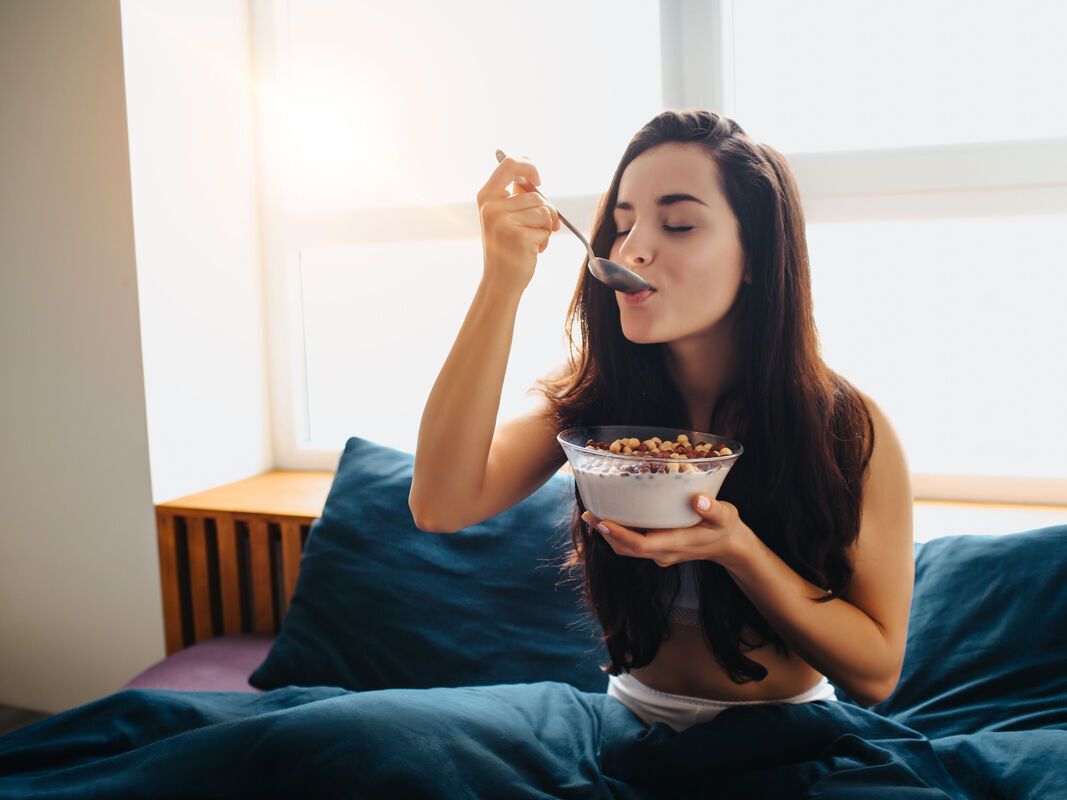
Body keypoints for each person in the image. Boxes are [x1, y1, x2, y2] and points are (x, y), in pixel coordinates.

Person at [409, 109, 913, 733]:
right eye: (622, 225)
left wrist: (738, 551)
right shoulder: (595, 393)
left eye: (678, 225)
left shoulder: (845, 426)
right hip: (625, 729)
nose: (631, 248)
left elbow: (877, 674)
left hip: (792, 736)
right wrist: (501, 282)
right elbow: (440, 504)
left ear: (755, 255)